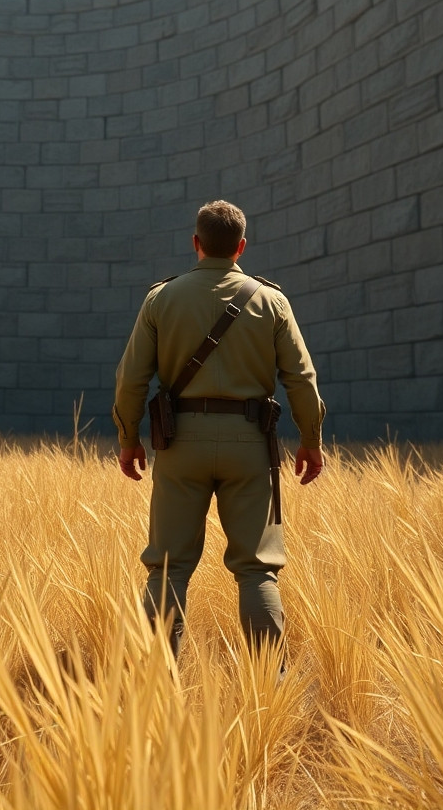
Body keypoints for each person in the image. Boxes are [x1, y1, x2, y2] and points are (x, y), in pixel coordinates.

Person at [113, 199, 325, 656]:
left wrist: (129, 438)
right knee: (257, 569)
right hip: (250, 445)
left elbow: (130, 379)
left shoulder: (161, 298)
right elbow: (302, 379)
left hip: (179, 442)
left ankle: (155, 680)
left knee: (167, 569)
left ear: (196, 244)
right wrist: (311, 439)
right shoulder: (271, 300)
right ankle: (271, 682)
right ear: (241, 247)